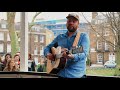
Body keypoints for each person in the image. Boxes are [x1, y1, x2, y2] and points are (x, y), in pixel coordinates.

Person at [44, 13, 90, 78]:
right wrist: (48, 54)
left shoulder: (83, 37)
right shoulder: (60, 37)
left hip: (77, 76)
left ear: (78, 24)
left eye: (74, 21)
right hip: (61, 75)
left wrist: (73, 56)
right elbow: (48, 47)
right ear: (66, 23)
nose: (71, 23)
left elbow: (84, 53)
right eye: (69, 21)